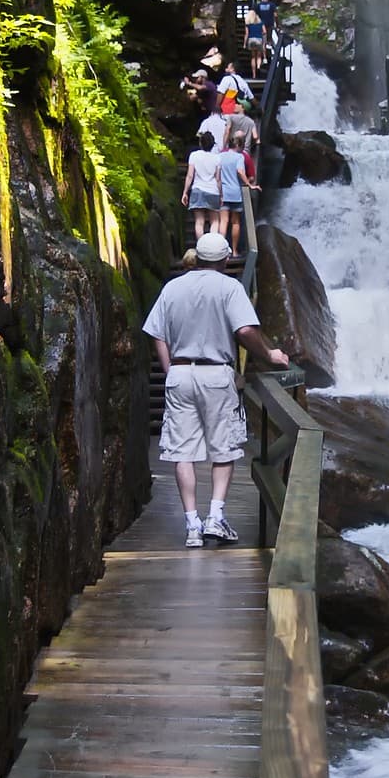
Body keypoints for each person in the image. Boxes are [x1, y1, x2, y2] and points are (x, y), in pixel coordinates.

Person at [142, 231, 290, 548]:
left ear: (198, 257)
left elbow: (156, 332)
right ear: (224, 259)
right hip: (216, 374)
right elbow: (246, 330)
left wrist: (169, 369)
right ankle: (216, 516)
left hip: (180, 374)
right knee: (223, 447)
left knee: (182, 451)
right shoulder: (229, 287)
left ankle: (192, 525)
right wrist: (269, 354)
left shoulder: (173, 287)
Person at [217, 128, 257, 255]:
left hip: (223, 192)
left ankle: (221, 250)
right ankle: (234, 251)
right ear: (239, 145)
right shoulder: (239, 157)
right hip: (235, 193)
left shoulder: (220, 156)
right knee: (235, 222)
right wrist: (249, 184)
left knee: (223, 222)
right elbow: (240, 171)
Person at [181, 129, 222, 238]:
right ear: (213, 145)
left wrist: (185, 192)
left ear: (200, 143)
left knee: (199, 221)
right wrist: (221, 195)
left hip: (198, 190)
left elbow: (190, 176)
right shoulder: (217, 158)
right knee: (215, 221)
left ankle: (201, 246)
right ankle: (213, 248)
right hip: (213, 191)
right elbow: (218, 179)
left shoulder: (194, 155)